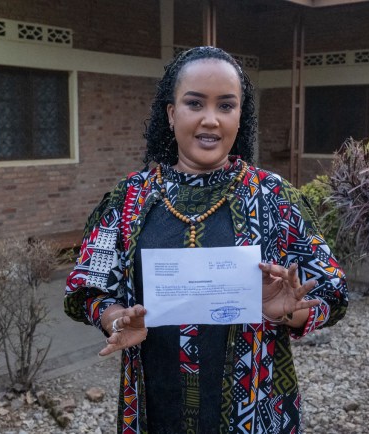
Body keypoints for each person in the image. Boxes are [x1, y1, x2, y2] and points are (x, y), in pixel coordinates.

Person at [64, 46, 348, 433]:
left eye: (226, 106)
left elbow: (333, 293)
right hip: (154, 407)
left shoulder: (274, 197)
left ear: (240, 116)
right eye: (195, 103)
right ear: (171, 113)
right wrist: (114, 318)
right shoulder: (128, 199)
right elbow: (86, 289)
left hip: (255, 410)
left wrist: (282, 311)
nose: (210, 120)